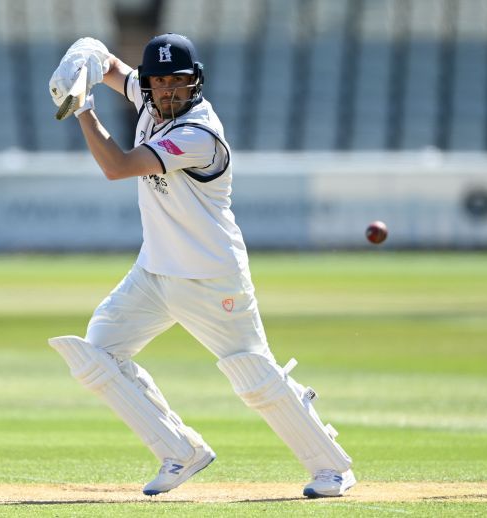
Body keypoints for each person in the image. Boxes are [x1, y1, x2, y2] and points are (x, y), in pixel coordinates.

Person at [46, 33, 355, 498]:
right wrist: (85, 56)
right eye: (160, 82)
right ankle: (180, 450)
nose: (168, 91)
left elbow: (118, 166)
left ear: (196, 83)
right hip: (154, 271)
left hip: (212, 277)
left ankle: (333, 467)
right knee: (98, 354)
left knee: (254, 376)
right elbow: (110, 64)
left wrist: (83, 107)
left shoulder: (198, 134)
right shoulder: (150, 100)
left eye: (179, 82)